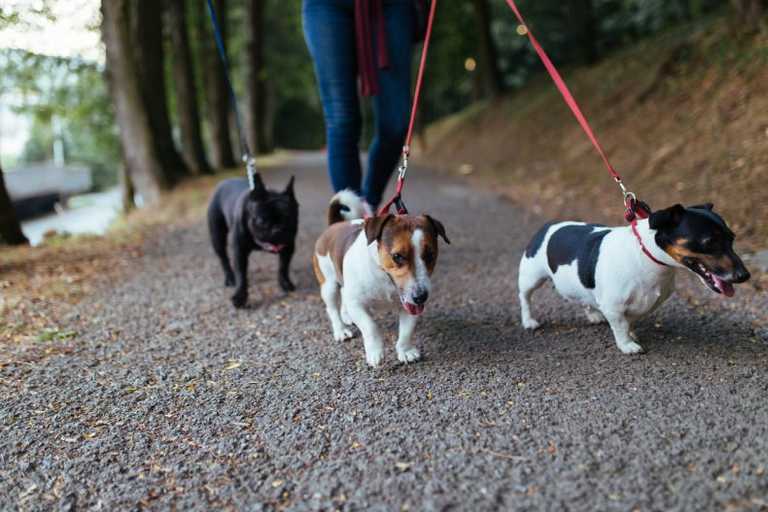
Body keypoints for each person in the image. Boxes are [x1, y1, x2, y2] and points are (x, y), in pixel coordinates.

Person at [303, 0, 417, 209]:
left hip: (391, 6)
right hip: (326, 7)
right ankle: (351, 219)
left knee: (397, 123)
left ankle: (369, 204)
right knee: (341, 119)